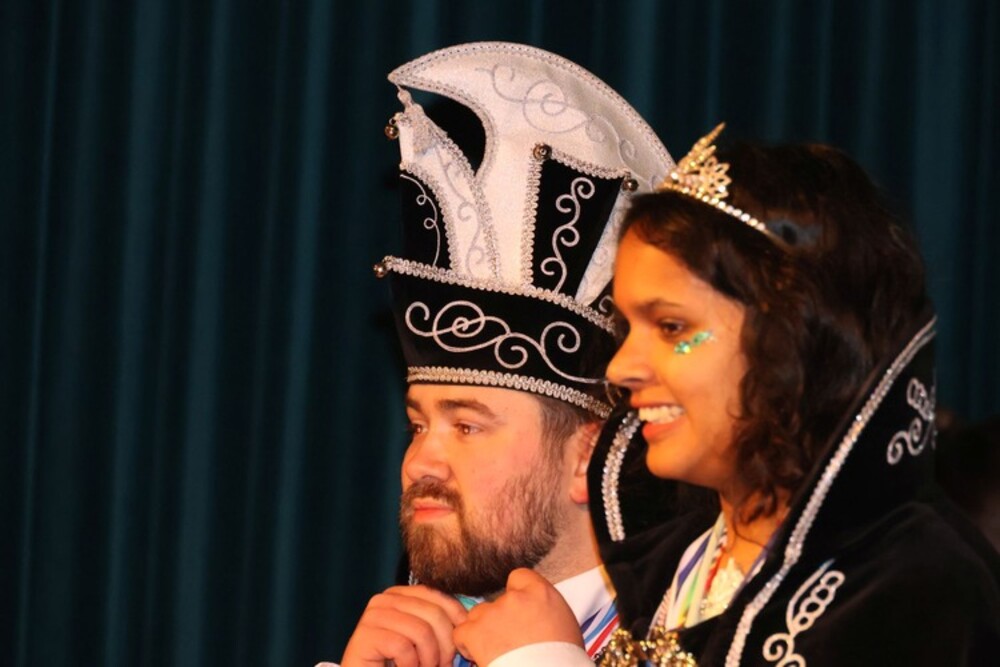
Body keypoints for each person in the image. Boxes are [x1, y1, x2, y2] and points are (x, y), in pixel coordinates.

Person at [449, 125, 1000, 665]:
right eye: (627, 329)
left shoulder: (922, 589)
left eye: (672, 328)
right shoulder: (671, 565)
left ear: (792, 342)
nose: (621, 368)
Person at [324, 42, 675, 667]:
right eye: (418, 425)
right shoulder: (411, 648)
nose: (419, 462)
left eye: (467, 426)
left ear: (587, 458)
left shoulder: (698, 637)